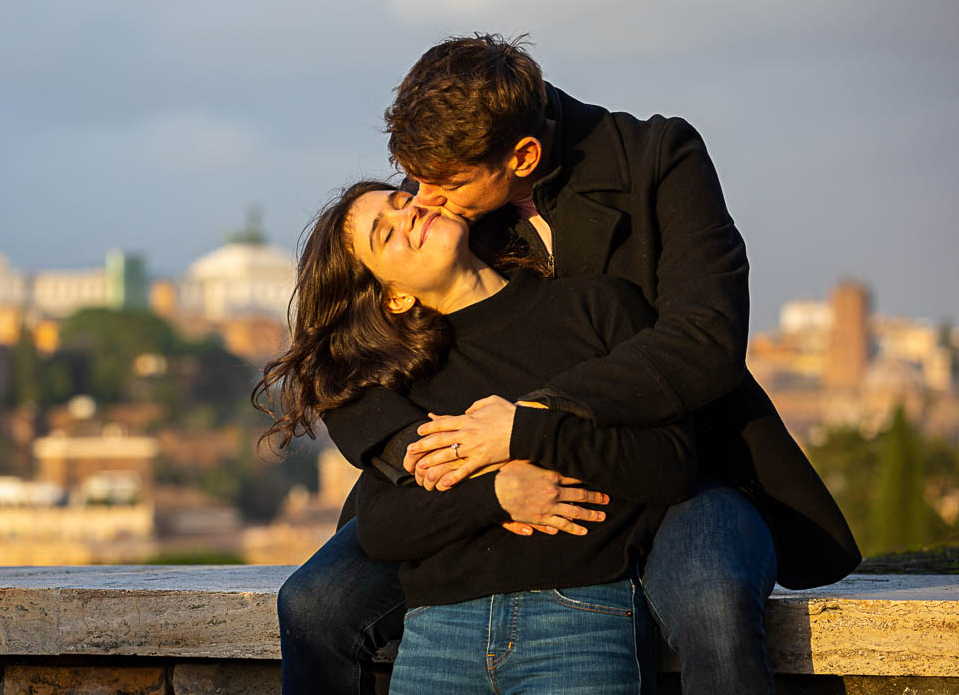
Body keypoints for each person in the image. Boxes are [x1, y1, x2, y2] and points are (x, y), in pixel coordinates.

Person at [276, 35, 860, 695]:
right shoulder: (444, 190)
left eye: (443, 185)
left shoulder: (659, 159)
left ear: (521, 156)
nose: (424, 201)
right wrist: (441, 454)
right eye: (414, 180)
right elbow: (351, 344)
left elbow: (705, 339)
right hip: (471, 476)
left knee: (710, 599)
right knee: (314, 605)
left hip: (676, 457)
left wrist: (530, 422)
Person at [258, 180, 700, 693]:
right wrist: (498, 494)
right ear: (395, 297)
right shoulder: (406, 377)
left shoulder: (599, 306)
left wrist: (525, 434)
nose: (409, 216)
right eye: (386, 234)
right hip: (440, 632)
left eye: (402, 202)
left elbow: (670, 463)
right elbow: (381, 528)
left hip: (579, 618)